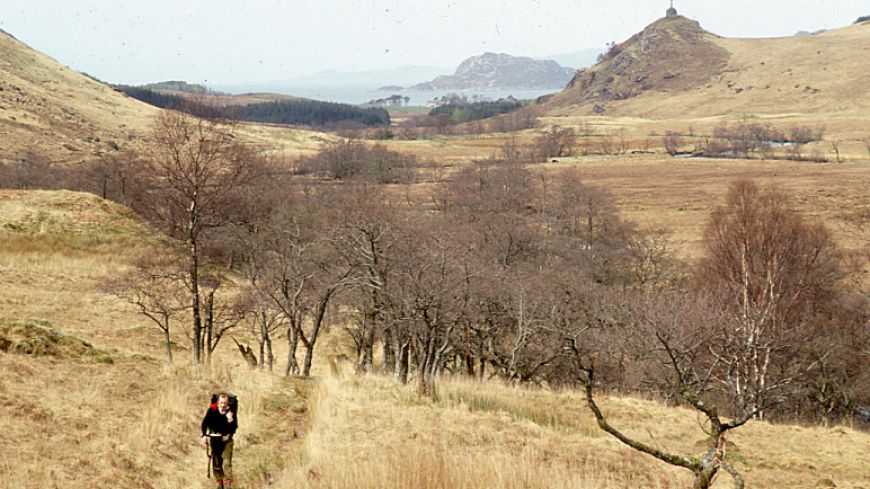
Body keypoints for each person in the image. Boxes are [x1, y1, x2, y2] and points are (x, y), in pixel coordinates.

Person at [201, 392, 238, 489]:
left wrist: (230, 420)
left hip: (227, 441)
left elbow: (233, 429)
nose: (223, 405)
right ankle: (219, 483)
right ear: (218, 403)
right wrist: (204, 435)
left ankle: (228, 484)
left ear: (227, 403)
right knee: (216, 463)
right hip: (215, 440)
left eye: (225, 403)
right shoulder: (212, 411)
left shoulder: (230, 413)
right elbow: (204, 423)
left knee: (226, 463)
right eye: (221, 403)